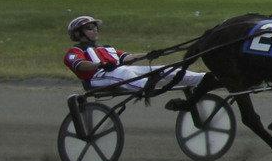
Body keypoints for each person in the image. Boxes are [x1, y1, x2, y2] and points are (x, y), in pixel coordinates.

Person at [63, 16, 208, 104]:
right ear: (78, 33)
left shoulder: (106, 48)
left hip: (118, 72)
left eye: (95, 27)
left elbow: (128, 57)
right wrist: (99, 64)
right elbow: (80, 65)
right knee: (124, 71)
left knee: (163, 68)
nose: (95, 30)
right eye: (89, 28)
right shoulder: (74, 52)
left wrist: (150, 54)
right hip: (98, 79)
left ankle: (204, 79)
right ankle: (147, 87)